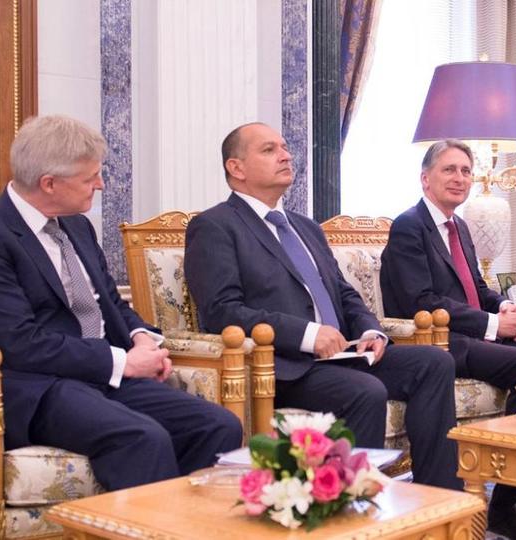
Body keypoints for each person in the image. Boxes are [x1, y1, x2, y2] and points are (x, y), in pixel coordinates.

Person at [184, 122, 460, 490]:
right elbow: (222, 310)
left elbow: (343, 293)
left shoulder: (306, 227)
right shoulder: (215, 226)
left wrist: (369, 330)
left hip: (343, 355)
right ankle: (352, 506)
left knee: (434, 362)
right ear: (236, 168)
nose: (286, 155)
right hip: (284, 366)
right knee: (365, 391)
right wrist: (308, 335)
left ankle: (439, 497)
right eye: (269, 150)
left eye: (285, 147)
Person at [0, 115, 243, 491]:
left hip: (106, 375)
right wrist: (122, 362)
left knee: (218, 425)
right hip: (43, 386)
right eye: (90, 178)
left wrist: (141, 338)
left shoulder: (76, 224)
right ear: (49, 183)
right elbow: (20, 342)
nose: (101, 185)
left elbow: (108, 300)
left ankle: (183, 519)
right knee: (142, 438)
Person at [379, 139, 516, 540]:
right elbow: (421, 301)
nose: (460, 178)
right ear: (426, 178)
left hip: (480, 338)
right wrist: (491, 323)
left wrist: (506, 308)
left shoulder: (460, 227)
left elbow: (478, 289)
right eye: (449, 169)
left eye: (466, 171)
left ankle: (514, 491)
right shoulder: (409, 226)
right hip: (440, 343)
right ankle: (510, 503)